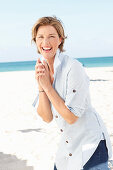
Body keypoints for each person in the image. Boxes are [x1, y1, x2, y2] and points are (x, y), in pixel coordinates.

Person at [32, 16, 112, 170]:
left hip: (91, 145)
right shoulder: (42, 68)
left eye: (51, 37)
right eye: (40, 37)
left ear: (60, 40)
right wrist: (42, 86)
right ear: (35, 40)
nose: (45, 42)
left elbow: (71, 116)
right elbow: (47, 117)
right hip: (67, 146)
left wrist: (48, 87)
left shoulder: (73, 67)